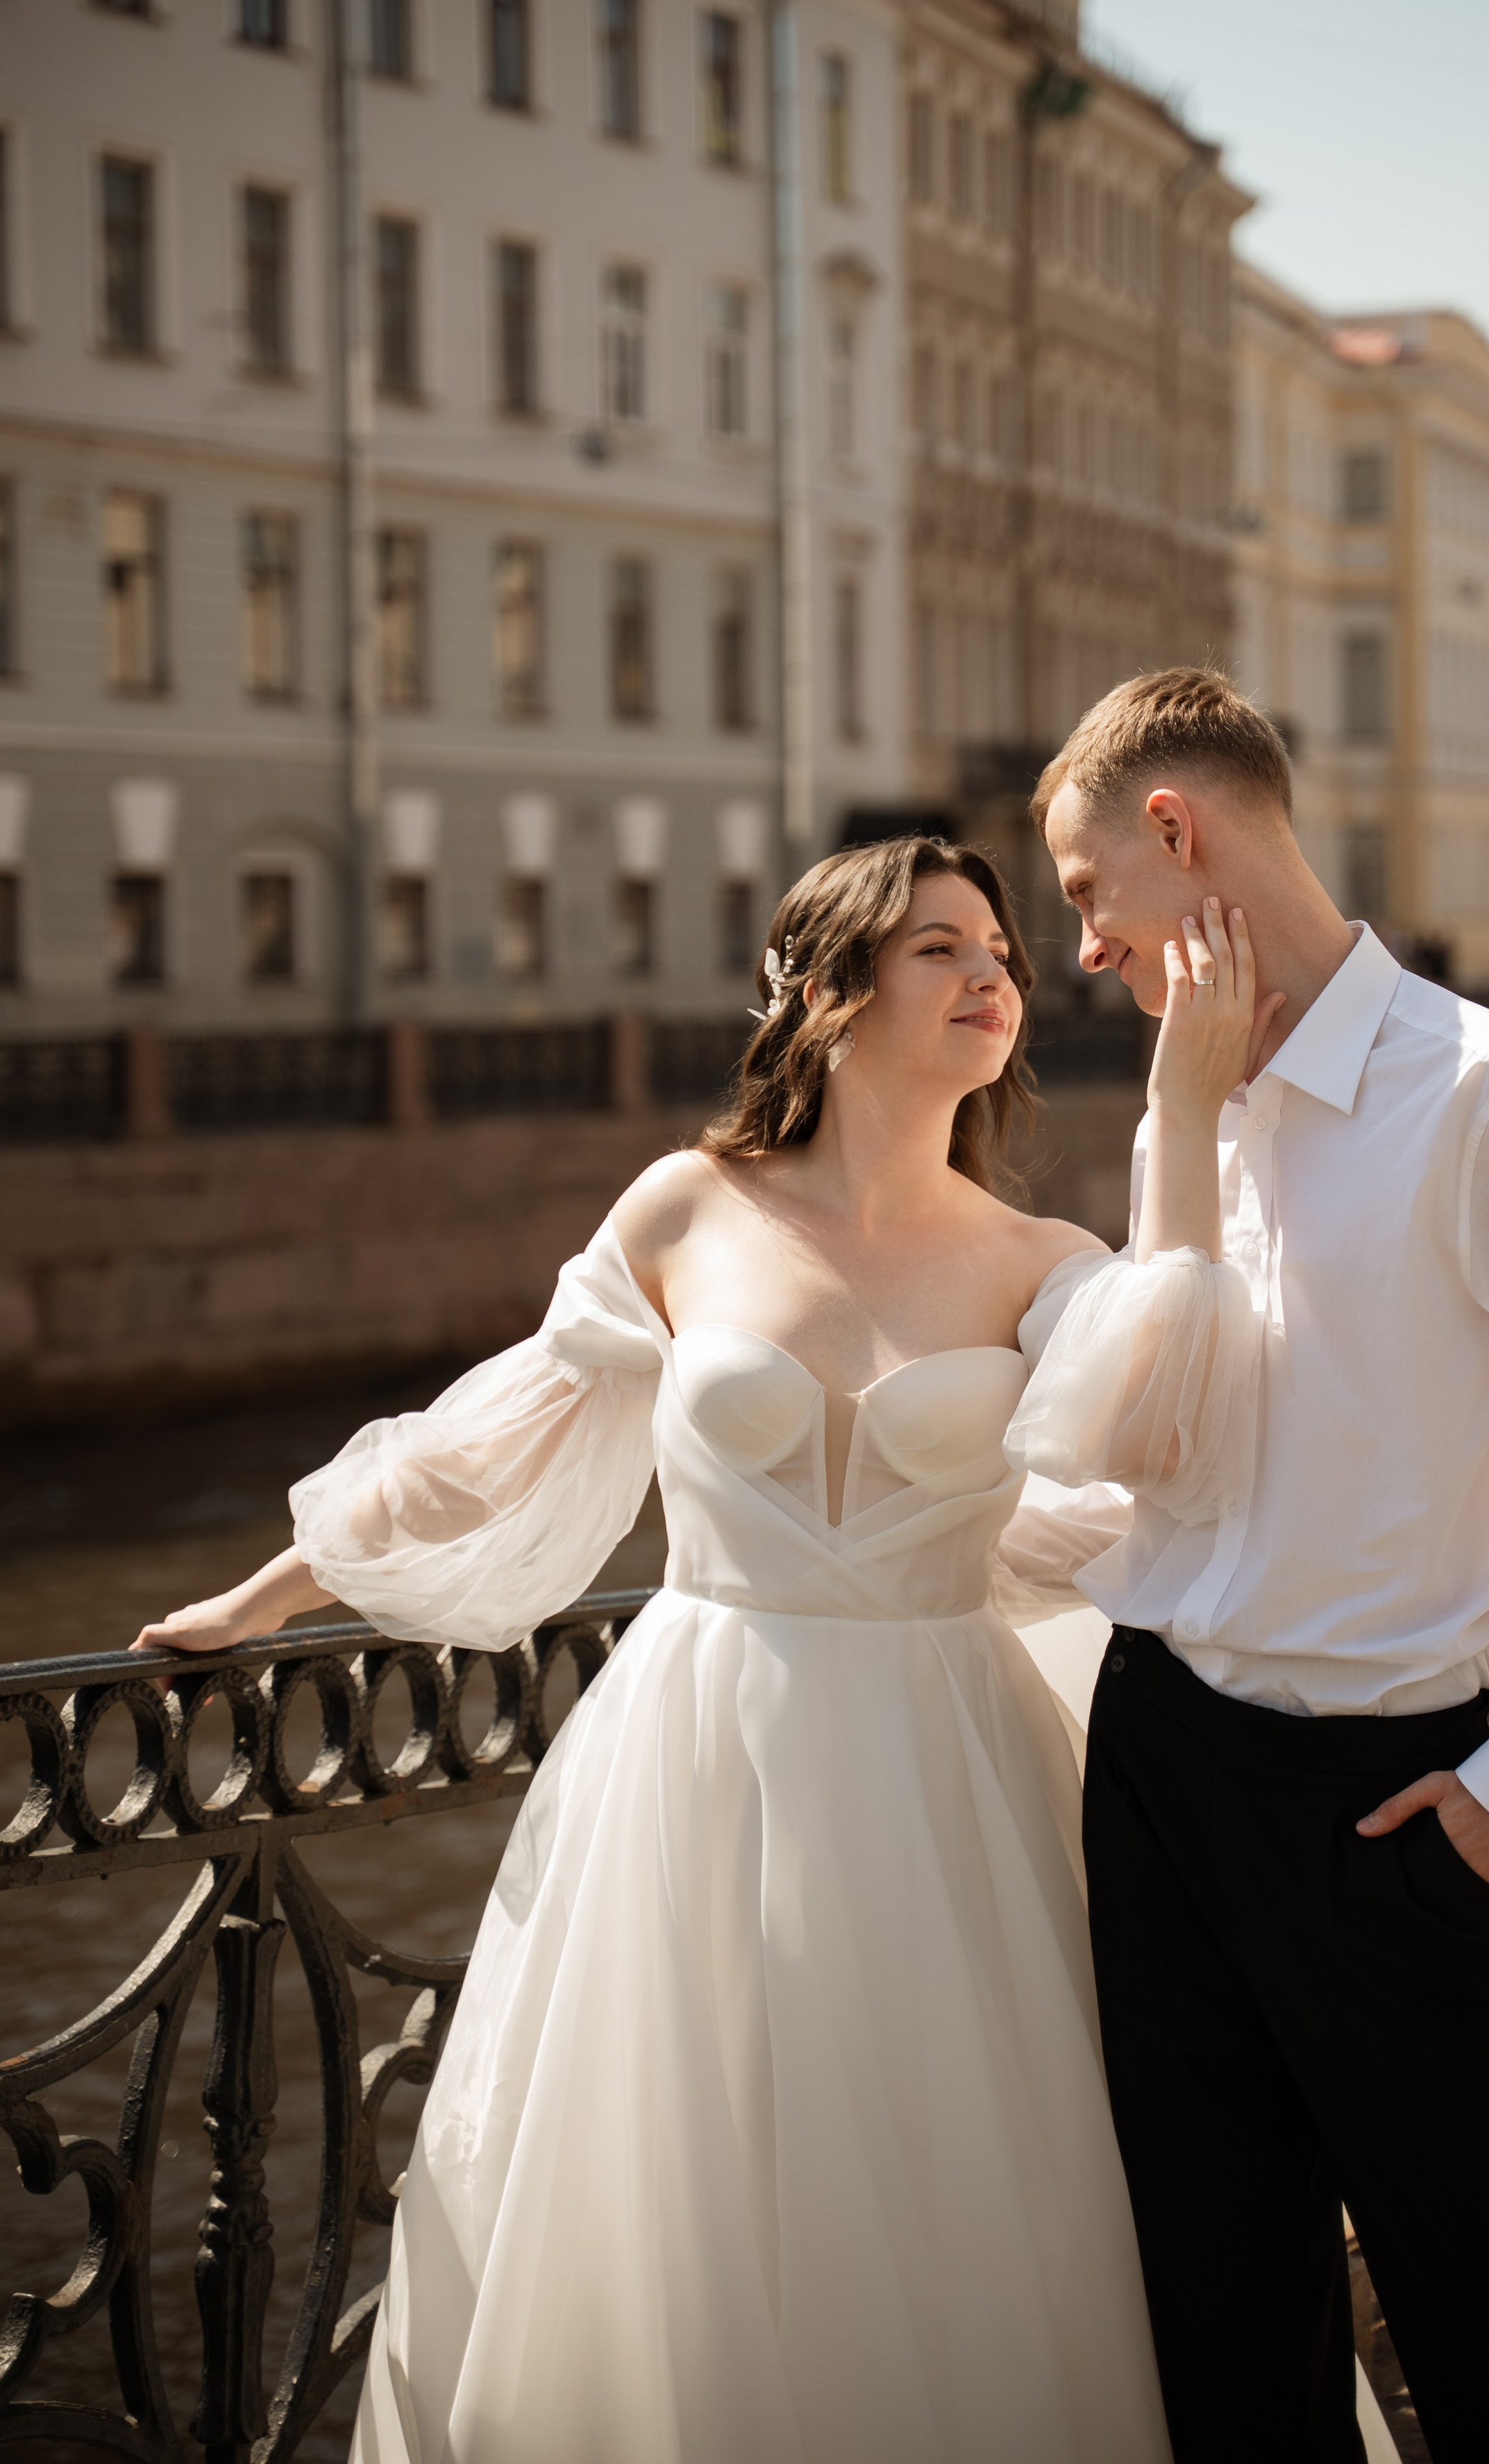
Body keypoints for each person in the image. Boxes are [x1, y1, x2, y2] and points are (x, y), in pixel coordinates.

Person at [136, 836, 1397, 2464]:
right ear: (828, 987)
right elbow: (494, 1439)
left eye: (1004, 954)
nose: (992, 976)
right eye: (941, 946)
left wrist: (1188, 1102)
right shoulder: (687, 1204)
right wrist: (268, 1599)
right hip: (697, 1758)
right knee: (687, 2186)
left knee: (965, 2180)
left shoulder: (1035, 1263)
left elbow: (1178, 1427)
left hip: (949, 1768)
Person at [1018, 667, 1489, 2464]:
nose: (1086, 947)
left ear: (1177, 835)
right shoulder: (1180, 1110)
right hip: (1160, 1772)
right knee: (1227, 2331)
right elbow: (1163, 1463)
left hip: (1388, 1806)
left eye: (1091, 892)